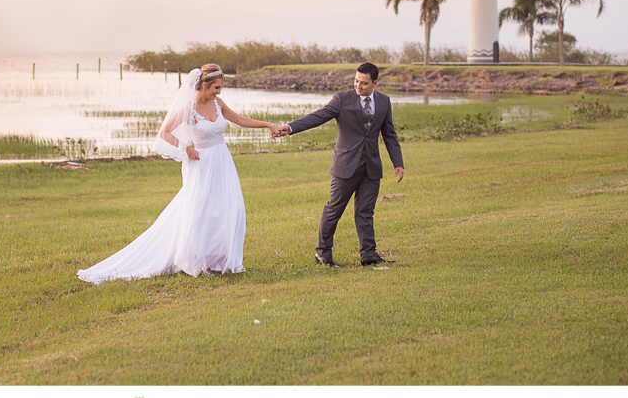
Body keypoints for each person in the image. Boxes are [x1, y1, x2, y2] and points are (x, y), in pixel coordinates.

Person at [77, 64, 278, 285]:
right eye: (216, 88)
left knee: (232, 207)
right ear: (203, 85)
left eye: (220, 88)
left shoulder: (217, 104)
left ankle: (228, 259)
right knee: (203, 211)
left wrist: (267, 124)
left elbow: (239, 120)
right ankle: (201, 261)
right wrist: (186, 148)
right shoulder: (188, 109)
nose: (219, 92)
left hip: (222, 161)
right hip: (200, 163)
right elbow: (164, 133)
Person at [274, 62, 404, 268]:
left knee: (365, 212)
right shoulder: (341, 99)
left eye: (363, 83)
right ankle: (323, 253)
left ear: (375, 83)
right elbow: (317, 117)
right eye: (356, 81)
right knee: (334, 209)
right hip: (345, 165)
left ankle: (368, 254)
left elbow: (389, 134)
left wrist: (398, 162)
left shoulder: (384, 101)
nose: (358, 86)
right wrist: (289, 128)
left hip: (371, 167)